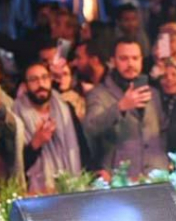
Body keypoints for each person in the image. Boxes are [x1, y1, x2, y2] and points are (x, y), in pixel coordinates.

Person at [83, 38, 168, 178]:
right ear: (113, 61)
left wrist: (165, 160)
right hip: (120, 175)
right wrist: (120, 107)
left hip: (156, 173)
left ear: (141, 60)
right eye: (124, 58)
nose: (130, 64)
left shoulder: (153, 93)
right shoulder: (99, 94)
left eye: (135, 58)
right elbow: (90, 128)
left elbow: (162, 130)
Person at [14, 62, 89, 193]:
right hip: (37, 193)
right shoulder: (16, 116)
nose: (40, 84)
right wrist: (35, 144)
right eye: (33, 80)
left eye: (44, 77)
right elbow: (15, 166)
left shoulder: (66, 109)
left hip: (72, 187)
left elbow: (82, 148)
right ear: (25, 86)